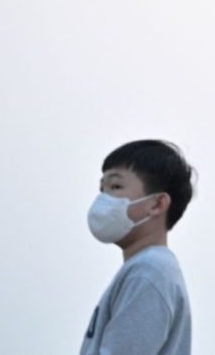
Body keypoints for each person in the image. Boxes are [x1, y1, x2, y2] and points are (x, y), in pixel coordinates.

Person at [80, 139, 195, 355]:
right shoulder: (147, 268)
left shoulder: (149, 272)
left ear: (157, 204)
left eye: (116, 187)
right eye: (102, 189)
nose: (104, 199)